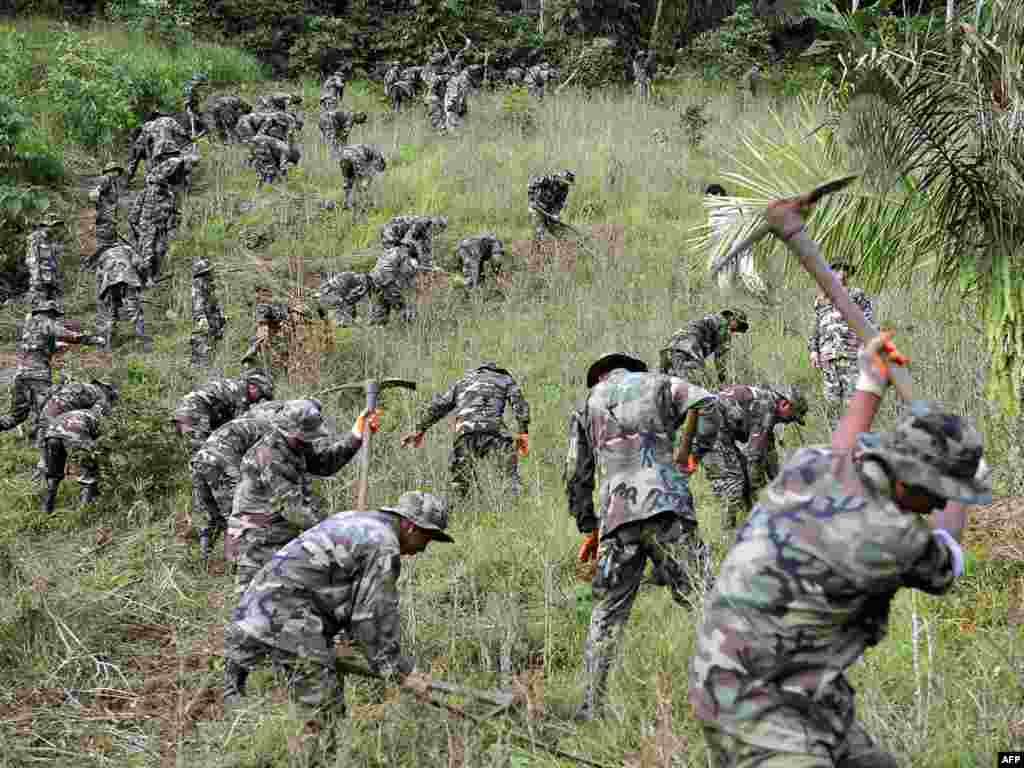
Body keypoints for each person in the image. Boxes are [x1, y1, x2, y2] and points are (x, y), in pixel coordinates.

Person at [689, 330, 990, 767]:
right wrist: (966, 484)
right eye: (937, 495)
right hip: (754, 706)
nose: (941, 504)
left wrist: (870, 382)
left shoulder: (809, 466)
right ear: (907, 482)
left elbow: (842, 450)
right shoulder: (892, 536)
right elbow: (948, 555)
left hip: (793, 683)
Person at [566, 351, 720, 721]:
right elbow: (709, 403)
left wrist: (588, 525)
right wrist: (691, 453)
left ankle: (592, 706)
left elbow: (575, 472)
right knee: (706, 600)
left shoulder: (590, 402)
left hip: (619, 522)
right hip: (669, 510)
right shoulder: (659, 382)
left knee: (606, 614)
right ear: (633, 368)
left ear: (599, 376)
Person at [223, 490, 450, 727]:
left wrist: (348, 642)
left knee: (237, 703)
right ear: (410, 526)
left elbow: (345, 592)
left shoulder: (354, 519)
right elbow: (373, 615)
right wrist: (401, 673)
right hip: (288, 615)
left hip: (255, 604)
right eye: (427, 538)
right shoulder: (384, 544)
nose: (423, 548)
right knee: (325, 711)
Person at [227, 399, 379, 593]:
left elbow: (324, 463)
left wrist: (356, 436)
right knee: (252, 605)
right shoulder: (269, 456)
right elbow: (295, 509)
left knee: (282, 603)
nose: (307, 442)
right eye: (303, 438)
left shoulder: (295, 444)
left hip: (279, 534)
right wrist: (344, 532)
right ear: (289, 430)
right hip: (256, 541)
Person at [402, 361, 530, 497]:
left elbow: (438, 406)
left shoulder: (463, 382)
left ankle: (459, 510)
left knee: (460, 484)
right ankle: (514, 504)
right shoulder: (504, 379)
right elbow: (520, 406)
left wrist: (420, 429)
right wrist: (523, 432)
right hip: (494, 432)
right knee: (510, 478)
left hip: (464, 435)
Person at [701, 384, 807, 531]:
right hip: (709, 429)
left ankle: (751, 521)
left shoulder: (767, 404)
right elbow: (753, 457)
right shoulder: (767, 410)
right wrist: (764, 494)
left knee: (743, 475)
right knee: (733, 482)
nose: (788, 422)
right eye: (792, 416)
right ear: (784, 404)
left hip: (715, 426)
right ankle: (728, 532)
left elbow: (769, 453)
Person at [190, 399, 285, 562]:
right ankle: (239, 564)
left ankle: (203, 560)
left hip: (199, 462)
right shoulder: (267, 429)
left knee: (213, 515)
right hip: (220, 463)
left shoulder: (241, 423)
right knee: (238, 514)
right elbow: (265, 463)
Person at [0, 300, 104, 438]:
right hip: (38, 375)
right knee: (47, 412)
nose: (55, 318)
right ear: (49, 312)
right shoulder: (45, 321)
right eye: (55, 315)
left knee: (15, 416)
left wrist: (55, 347)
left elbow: (37, 346)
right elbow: (68, 335)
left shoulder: (29, 326)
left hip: (20, 374)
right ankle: (43, 448)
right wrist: (93, 339)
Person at [809, 261, 875, 429]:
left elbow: (869, 321)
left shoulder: (856, 294)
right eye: (837, 269)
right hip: (828, 356)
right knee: (832, 402)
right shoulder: (820, 299)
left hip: (850, 354)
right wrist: (813, 351)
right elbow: (817, 326)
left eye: (846, 269)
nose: (842, 272)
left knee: (852, 401)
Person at [39, 386, 117, 512]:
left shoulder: (83, 411)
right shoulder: (102, 416)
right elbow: (104, 445)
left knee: (53, 476)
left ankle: (45, 510)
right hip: (74, 430)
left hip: (52, 432)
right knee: (88, 477)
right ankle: (83, 514)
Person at [172, 370, 275, 456]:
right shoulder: (241, 393)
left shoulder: (231, 385)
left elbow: (224, 422)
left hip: (184, 412)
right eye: (261, 395)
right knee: (205, 454)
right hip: (195, 414)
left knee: (192, 451)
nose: (259, 400)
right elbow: (238, 427)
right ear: (253, 387)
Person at [705, 183, 772, 305]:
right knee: (724, 282)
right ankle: (729, 308)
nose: (709, 202)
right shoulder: (712, 215)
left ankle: (767, 301)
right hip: (725, 251)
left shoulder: (736, 203)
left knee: (748, 274)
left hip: (742, 246)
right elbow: (713, 237)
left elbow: (751, 219)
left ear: (718, 195)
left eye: (710, 198)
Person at [659, 309, 750, 390]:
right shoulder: (724, 327)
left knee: (667, 389)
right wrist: (722, 380)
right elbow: (720, 358)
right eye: (739, 325)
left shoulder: (710, 318)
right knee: (697, 388)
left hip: (668, 350)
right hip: (687, 350)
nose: (737, 330)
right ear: (731, 318)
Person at [93, 241, 148, 352]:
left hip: (110, 282)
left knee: (110, 314)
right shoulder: (127, 248)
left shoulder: (102, 255)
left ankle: (107, 345)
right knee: (135, 312)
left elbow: (99, 276)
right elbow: (141, 265)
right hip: (128, 279)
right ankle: (142, 343)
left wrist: (101, 296)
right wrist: (145, 279)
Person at [191, 255, 226, 368]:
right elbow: (197, 302)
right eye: (209, 271)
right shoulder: (198, 283)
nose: (211, 273)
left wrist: (221, 318)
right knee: (202, 344)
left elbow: (214, 304)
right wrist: (201, 317)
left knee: (213, 349)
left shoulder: (209, 285)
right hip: (204, 321)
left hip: (213, 322)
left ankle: (209, 367)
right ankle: (199, 368)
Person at [25, 216, 65, 306]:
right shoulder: (35, 238)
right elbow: (32, 259)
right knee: (38, 297)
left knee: (52, 299)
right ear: (44, 225)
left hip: (50, 274)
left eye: (56, 225)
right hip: (39, 275)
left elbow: (54, 258)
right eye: (53, 225)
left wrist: (56, 275)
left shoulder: (52, 238)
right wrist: (36, 277)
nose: (55, 228)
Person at [527, 170, 575, 241]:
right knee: (540, 231)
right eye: (565, 182)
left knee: (559, 232)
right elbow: (531, 185)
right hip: (537, 208)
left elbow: (560, 203)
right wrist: (531, 199)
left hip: (549, 211)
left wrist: (555, 214)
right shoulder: (548, 179)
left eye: (568, 184)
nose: (565, 184)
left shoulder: (565, 189)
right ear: (561, 178)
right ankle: (537, 248)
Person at [89, 163, 125, 254]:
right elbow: (93, 195)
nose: (117, 173)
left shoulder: (113, 182)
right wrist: (102, 210)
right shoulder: (105, 179)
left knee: (110, 244)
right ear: (110, 171)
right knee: (104, 245)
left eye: (118, 171)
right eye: (116, 170)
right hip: (105, 220)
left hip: (109, 220)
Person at [339, 144, 386, 210]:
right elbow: (369, 175)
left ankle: (346, 203)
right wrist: (368, 180)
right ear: (381, 163)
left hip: (344, 155)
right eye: (379, 168)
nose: (377, 170)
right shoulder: (377, 155)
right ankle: (363, 205)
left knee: (348, 181)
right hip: (355, 156)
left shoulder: (371, 151)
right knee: (361, 183)